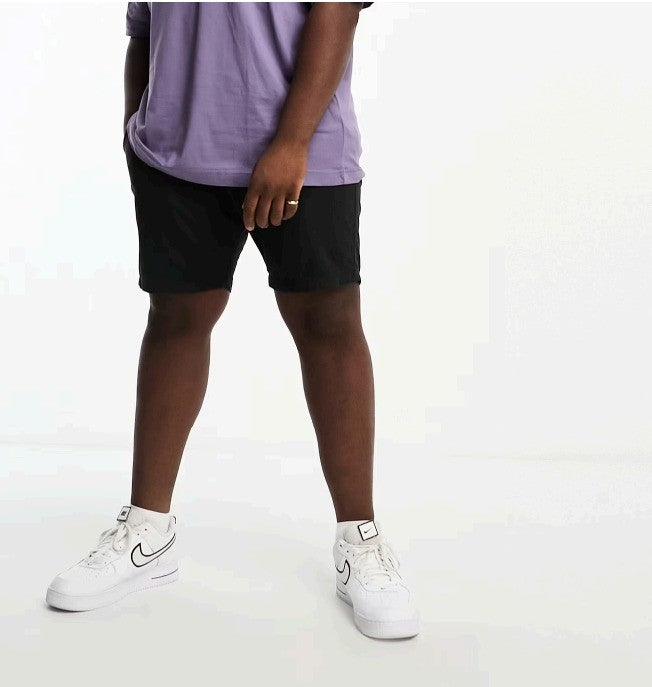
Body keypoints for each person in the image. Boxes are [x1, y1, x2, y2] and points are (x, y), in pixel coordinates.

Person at [46, 2, 419, 639]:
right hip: (175, 157)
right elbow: (143, 29)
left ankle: (360, 540)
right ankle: (147, 532)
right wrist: (137, 130)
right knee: (175, 320)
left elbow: (337, 11)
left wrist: (291, 144)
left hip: (306, 152)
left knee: (329, 326)